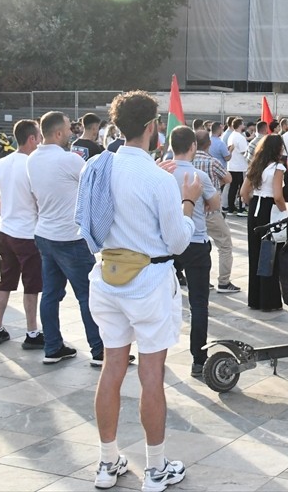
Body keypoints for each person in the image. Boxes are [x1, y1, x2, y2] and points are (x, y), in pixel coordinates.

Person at [78, 90, 200, 492]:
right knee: (151, 375)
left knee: (112, 368)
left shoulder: (97, 167)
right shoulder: (158, 179)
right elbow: (179, 241)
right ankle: (156, 467)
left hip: (107, 278)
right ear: (151, 127)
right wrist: (186, 200)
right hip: (148, 283)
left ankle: (107, 462)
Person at [27, 111, 105, 364]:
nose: (72, 133)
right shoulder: (68, 160)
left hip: (44, 235)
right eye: (68, 130)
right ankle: (100, 351)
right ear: (58, 133)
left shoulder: (33, 158)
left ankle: (52, 347)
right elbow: (95, 183)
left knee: (50, 294)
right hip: (69, 237)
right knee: (88, 294)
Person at [0, 119, 43, 348]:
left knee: (5, 282)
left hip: (6, 231)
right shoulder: (32, 166)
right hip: (27, 234)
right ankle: (32, 332)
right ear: (32, 139)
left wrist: (3, 211)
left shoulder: (4, 162)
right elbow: (38, 199)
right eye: (39, 137)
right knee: (32, 286)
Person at [166, 126, 220, 378]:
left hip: (166, 243)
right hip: (196, 241)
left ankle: (156, 352)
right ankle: (198, 359)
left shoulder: (162, 171)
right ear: (193, 147)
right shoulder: (198, 175)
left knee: (162, 300)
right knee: (198, 302)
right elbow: (215, 204)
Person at [241, 134, 288, 312]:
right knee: (269, 256)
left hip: (255, 209)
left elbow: (244, 193)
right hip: (269, 209)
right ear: (278, 149)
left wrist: (252, 203)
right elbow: (277, 195)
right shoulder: (278, 167)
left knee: (255, 255)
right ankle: (269, 301)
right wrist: (286, 211)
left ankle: (254, 299)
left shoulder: (256, 164)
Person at [192, 129, 238, 294]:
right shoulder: (212, 162)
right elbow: (228, 178)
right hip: (211, 211)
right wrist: (216, 184)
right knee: (225, 245)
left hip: (192, 211)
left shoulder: (187, 160)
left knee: (197, 247)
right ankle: (224, 282)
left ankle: (200, 280)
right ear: (209, 144)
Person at [224, 118, 249, 215]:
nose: (244, 126)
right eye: (243, 124)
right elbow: (244, 152)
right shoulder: (240, 137)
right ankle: (241, 209)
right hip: (240, 166)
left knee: (233, 188)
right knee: (242, 188)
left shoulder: (232, 135)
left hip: (232, 165)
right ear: (240, 125)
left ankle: (231, 208)